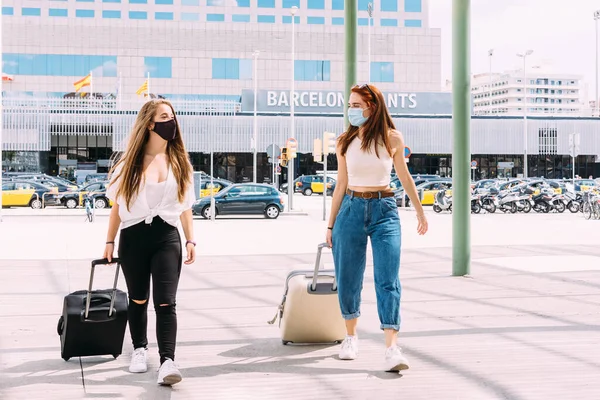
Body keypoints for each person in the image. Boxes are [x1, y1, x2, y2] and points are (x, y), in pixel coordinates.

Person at [325, 84, 428, 372]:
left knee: (388, 279)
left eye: (357, 105)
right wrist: (330, 224)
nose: (352, 110)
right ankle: (350, 337)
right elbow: (340, 184)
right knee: (348, 277)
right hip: (351, 208)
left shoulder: (391, 138)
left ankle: (392, 348)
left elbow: (404, 177)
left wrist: (420, 212)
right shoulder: (345, 140)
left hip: (385, 209)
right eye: (350, 104)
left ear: (373, 106)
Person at [103, 99, 197, 386]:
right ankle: (140, 348)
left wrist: (191, 239)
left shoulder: (180, 162)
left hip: (167, 237)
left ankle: (168, 360)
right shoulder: (128, 164)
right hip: (133, 237)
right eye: (165, 117)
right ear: (150, 124)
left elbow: (185, 206)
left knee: (166, 301)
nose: (173, 122)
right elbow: (117, 207)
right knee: (138, 298)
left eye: (173, 116)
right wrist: (108, 241)